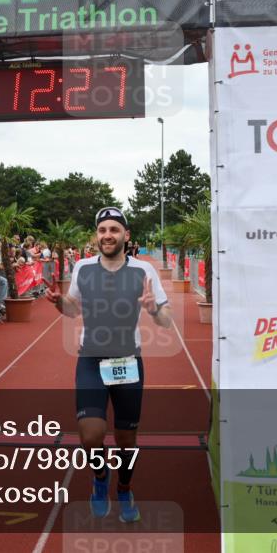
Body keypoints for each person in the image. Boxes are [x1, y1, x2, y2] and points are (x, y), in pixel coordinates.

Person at [46, 206, 173, 523]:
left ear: (126, 235)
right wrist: (60, 302)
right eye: (102, 230)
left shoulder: (143, 270)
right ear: (96, 236)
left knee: (126, 440)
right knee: (90, 435)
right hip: (91, 359)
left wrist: (153, 308)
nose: (107, 235)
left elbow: (166, 320)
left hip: (128, 361)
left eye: (114, 229)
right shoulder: (83, 268)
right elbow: (73, 309)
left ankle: (124, 488)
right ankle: (101, 477)